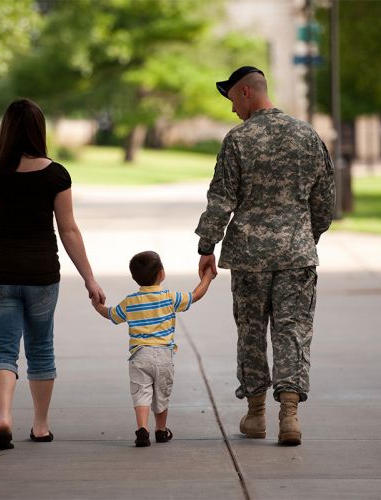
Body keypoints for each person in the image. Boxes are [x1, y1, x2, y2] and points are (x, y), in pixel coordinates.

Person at [195, 66, 335, 446]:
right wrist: (305, 237)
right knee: (293, 332)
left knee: (252, 333)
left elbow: (221, 199)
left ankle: (256, 415)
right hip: (296, 255)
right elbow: (324, 202)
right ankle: (289, 417)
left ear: (245, 92)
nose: (232, 110)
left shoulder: (238, 140)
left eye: (232, 100)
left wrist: (207, 246)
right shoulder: (307, 135)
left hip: (248, 258)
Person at [0, 98, 105, 450]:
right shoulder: (56, 174)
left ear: (6, 129)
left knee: (3, 347)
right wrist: (90, 279)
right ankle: (40, 426)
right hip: (41, 276)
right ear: (39, 130)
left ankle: (4, 417)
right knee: (41, 349)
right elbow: (69, 230)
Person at [91, 251, 215, 447]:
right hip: (163, 356)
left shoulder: (130, 301)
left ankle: (142, 428)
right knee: (161, 393)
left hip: (139, 356)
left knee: (141, 392)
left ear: (134, 278)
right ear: (162, 274)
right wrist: (208, 277)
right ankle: (161, 430)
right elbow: (196, 295)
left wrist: (97, 305)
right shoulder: (169, 297)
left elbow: (111, 315)